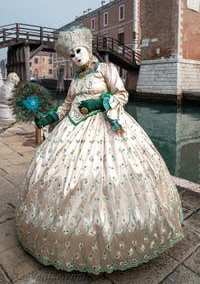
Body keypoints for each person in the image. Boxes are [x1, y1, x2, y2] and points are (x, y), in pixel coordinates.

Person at [15, 26, 184, 274]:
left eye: (78, 51)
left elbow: (121, 94)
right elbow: (66, 107)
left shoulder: (106, 69)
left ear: (88, 49)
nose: (75, 57)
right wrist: (50, 117)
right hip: (73, 129)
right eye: (71, 54)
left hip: (105, 126)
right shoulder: (76, 80)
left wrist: (100, 102)